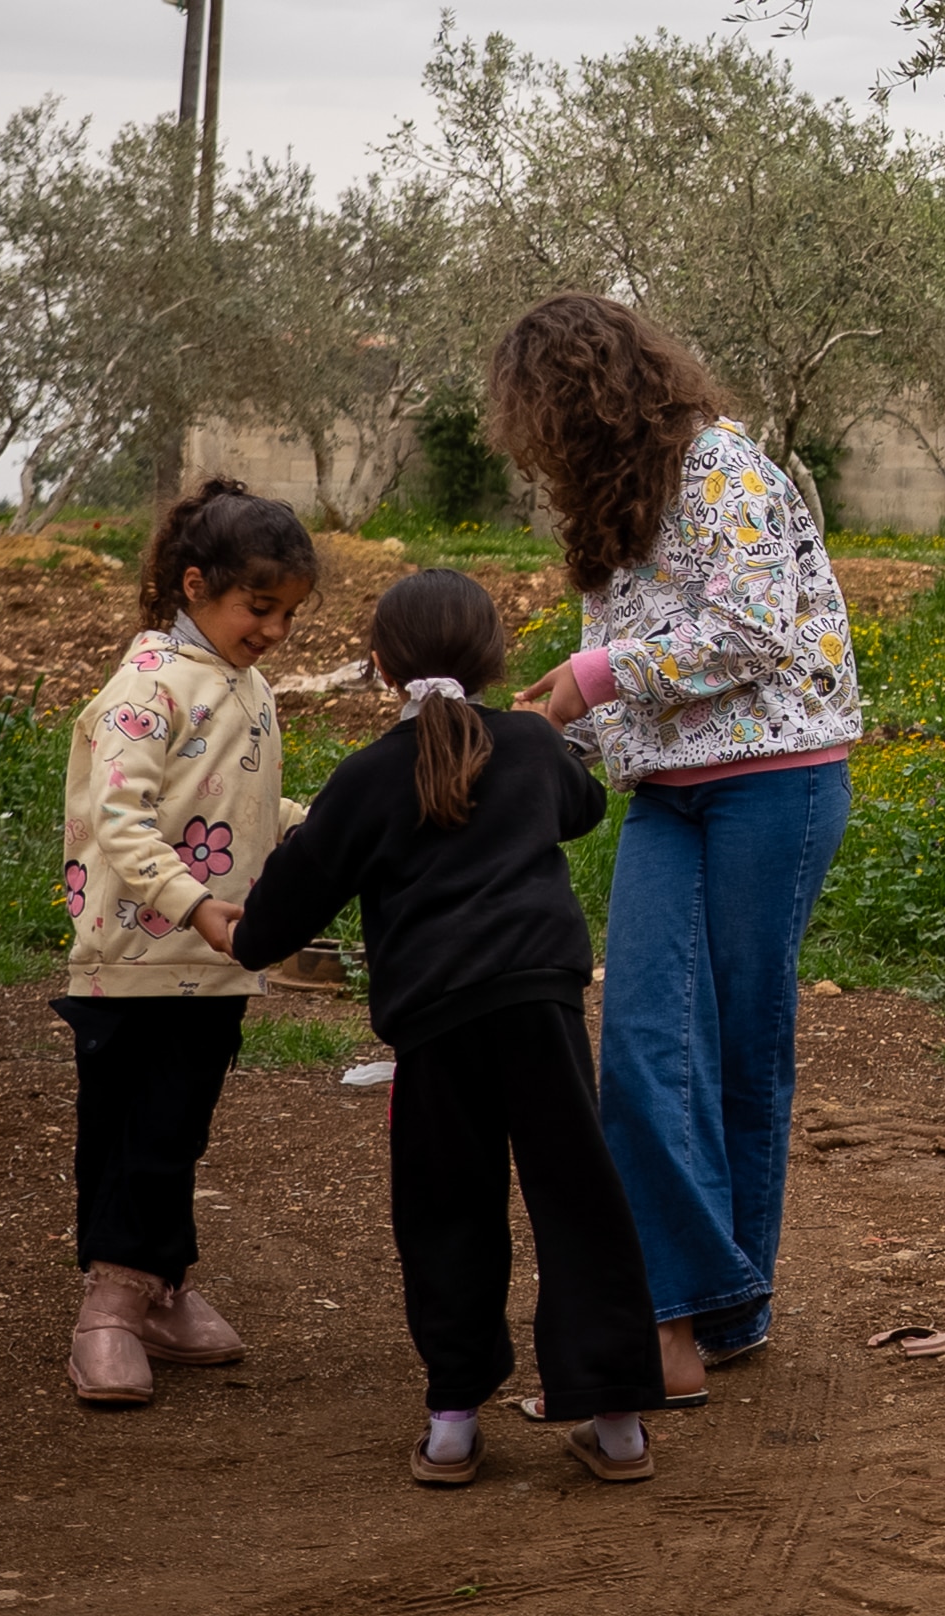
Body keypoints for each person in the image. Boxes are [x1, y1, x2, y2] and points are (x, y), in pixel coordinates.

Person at [491, 293, 858, 1406]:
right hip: (668, 799)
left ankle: (727, 1313)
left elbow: (752, 628)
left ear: (587, 398)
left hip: (778, 786)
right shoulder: (610, 505)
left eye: (543, 415)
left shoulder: (721, 469)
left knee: (744, 1050)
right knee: (649, 1050)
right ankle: (668, 1317)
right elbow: (624, 669)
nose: (540, 442)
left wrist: (593, 680)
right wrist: (534, 734)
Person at [230, 568, 668, 1488]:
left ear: (382, 667)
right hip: (540, 1002)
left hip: (434, 1019)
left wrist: (244, 906)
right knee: (579, 1197)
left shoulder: (364, 781)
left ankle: (453, 1427)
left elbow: (272, 924)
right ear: (495, 658)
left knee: (446, 1209)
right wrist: (536, 737)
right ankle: (619, 1425)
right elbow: (583, 807)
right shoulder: (532, 751)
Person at [57, 478, 318, 1407]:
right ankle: (108, 1311)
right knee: (132, 1133)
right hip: (135, 960)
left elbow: (239, 810)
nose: (276, 630)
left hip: (209, 967)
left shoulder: (244, 686)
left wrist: (326, 827)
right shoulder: (147, 689)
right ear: (196, 584)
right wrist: (196, 902)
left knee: (177, 1129)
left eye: (289, 612)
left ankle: (158, 1290)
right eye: (260, 607)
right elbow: (118, 820)